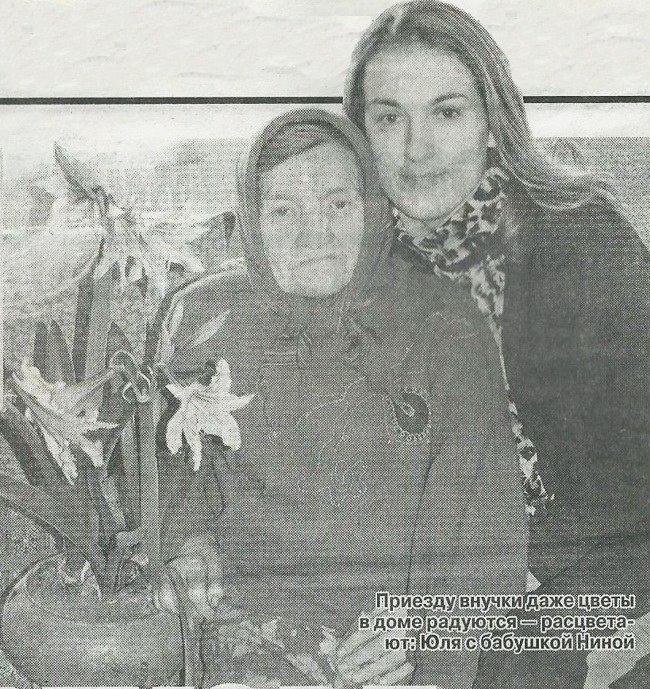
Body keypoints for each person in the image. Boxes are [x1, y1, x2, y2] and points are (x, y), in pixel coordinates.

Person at [159, 108, 527, 687]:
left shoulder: (445, 326)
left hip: (397, 655)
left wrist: (424, 627)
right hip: (249, 639)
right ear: (251, 221)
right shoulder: (207, 321)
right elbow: (181, 481)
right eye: (284, 211)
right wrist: (190, 548)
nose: (315, 236)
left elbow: (485, 526)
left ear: (373, 210)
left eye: (338, 204)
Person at [343, 2, 650, 687]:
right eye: (389, 118)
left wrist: (471, 602)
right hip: (457, 578)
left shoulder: (581, 237)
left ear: (492, 123)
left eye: (447, 113)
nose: (417, 149)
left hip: (605, 568)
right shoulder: (357, 274)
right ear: (360, 135)